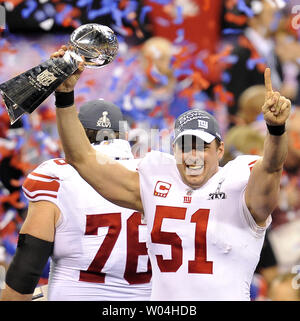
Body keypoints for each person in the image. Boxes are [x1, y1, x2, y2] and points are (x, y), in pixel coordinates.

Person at [53, 45, 290, 300]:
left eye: (202, 146)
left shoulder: (239, 183)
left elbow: (272, 167)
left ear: (220, 150)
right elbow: (82, 158)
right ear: (174, 149)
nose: (192, 155)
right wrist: (64, 95)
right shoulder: (157, 180)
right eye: (185, 146)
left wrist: (275, 130)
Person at [0, 99, 151, 301]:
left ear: (74, 133)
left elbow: (26, 271)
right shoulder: (152, 175)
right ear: (123, 135)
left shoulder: (57, 176)